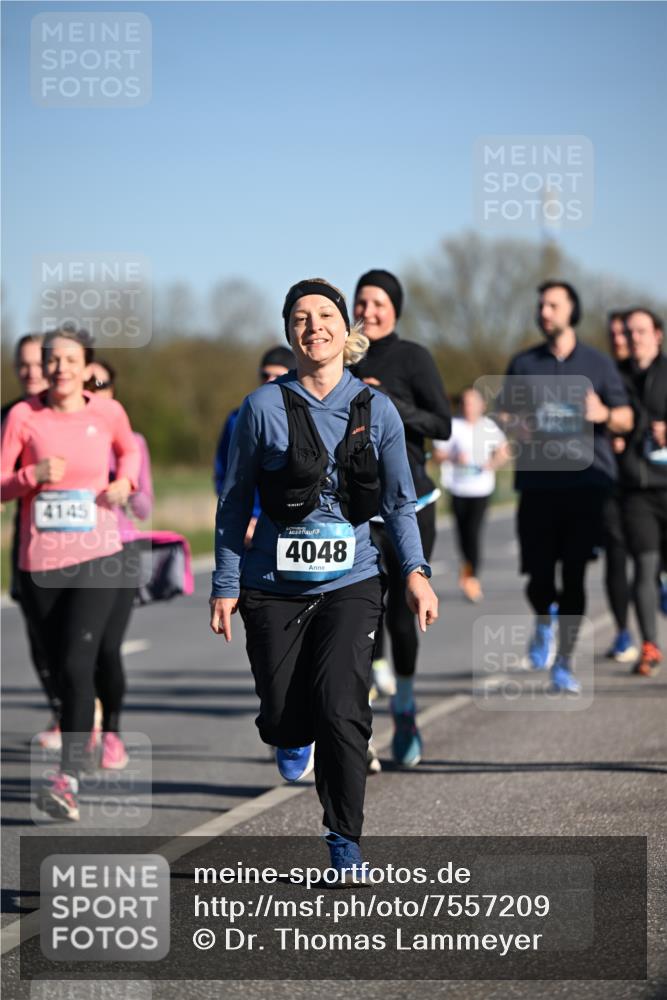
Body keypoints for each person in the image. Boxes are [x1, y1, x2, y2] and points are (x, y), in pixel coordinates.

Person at [209, 278, 438, 879]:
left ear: (345, 330)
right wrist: (225, 584)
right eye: (301, 318)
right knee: (284, 714)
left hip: (352, 581)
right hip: (272, 586)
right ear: (289, 333)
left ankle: (344, 842)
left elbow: (398, 501)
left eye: (325, 315)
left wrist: (414, 571)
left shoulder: (376, 409)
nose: (314, 326)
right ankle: (289, 735)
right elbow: (234, 503)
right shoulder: (260, 408)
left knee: (343, 709)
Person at [1, 326, 140, 820]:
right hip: (40, 563)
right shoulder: (23, 415)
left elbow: (131, 451)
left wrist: (124, 481)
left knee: (81, 664)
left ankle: (68, 777)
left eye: (69, 360)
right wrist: (28, 478)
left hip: (98, 555)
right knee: (59, 668)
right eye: (52, 360)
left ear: (86, 366)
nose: (60, 368)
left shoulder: (107, 412)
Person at [502, 282, 633, 693]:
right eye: (540, 305)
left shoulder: (598, 363)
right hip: (537, 485)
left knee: (574, 576)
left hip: (585, 486)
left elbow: (627, 418)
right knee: (539, 579)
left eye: (552, 305)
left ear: (571, 310)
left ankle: (564, 663)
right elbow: (504, 414)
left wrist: (603, 412)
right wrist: (513, 425)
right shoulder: (523, 363)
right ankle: (544, 620)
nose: (544, 312)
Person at [351, 269, 450, 770]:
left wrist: (390, 405)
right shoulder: (340, 358)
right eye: (360, 301)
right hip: (354, 510)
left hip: (410, 504)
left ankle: (405, 706)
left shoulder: (412, 357)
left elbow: (443, 424)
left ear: (394, 308)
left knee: (400, 610)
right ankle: (359, 729)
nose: (367, 310)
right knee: (359, 615)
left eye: (378, 302)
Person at [84, 358, 155, 768]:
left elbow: (145, 506)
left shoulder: (133, 442)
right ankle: (79, 717)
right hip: (67, 551)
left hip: (119, 551)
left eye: (101, 382)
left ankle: (110, 730)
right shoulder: (60, 435)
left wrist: (122, 487)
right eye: (86, 381)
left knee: (107, 649)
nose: (93, 388)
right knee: (72, 650)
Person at [1, 335, 59, 741]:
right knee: (39, 633)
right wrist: (30, 478)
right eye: (22, 365)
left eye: (38, 364)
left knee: (78, 635)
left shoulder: (81, 409)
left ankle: (88, 707)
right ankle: (63, 711)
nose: (30, 373)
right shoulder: (11, 415)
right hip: (29, 538)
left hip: (85, 544)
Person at [615, 308, 666, 676]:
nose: (635, 337)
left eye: (642, 331)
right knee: (644, 568)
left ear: (658, 335)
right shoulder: (615, 378)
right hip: (636, 489)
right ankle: (650, 645)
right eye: (629, 331)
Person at [433, 387, 509, 602]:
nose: (469, 407)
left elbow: (504, 449)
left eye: (473, 402)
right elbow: (438, 453)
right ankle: (467, 570)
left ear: (481, 405)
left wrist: (491, 464)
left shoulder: (489, 427)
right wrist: (455, 456)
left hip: (481, 488)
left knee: (473, 534)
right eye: (465, 403)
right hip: (457, 487)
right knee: (462, 534)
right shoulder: (453, 426)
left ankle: (472, 578)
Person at [213, 346, 295, 547]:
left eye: (277, 375)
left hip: (292, 526)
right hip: (248, 527)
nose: (269, 380)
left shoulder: (308, 418)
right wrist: (245, 519)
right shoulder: (237, 418)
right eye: (265, 375)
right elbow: (225, 474)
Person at [602, 311, 639, 663]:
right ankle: (623, 632)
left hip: (650, 483)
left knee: (648, 558)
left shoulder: (650, 374)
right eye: (612, 333)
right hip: (612, 481)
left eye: (623, 332)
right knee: (615, 554)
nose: (618, 339)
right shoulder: (603, 373)